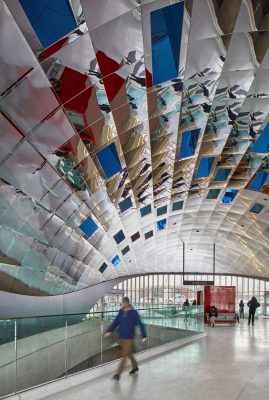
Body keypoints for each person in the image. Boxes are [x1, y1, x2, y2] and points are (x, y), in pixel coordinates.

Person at [104, 297, 147, 380]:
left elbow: (140, 324)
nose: (123, 305)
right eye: (122, 303)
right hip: (122, 337)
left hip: (129, 338)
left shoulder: (133, 313)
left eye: (124, 303)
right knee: (129, 353)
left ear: (128, 303)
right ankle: (135, 367)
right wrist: (109, 331)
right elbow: (116, 322)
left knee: (124, 355)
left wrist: (144, 335)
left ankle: (118, 374)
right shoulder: (121, 312)